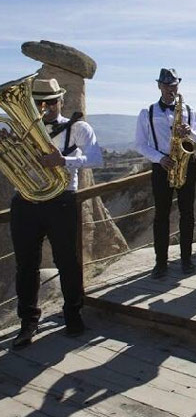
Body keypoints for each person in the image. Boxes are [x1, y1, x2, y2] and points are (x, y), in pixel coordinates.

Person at [7, 78, 102, 348]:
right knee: (26, 265)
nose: (44, 107)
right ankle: (28, 322)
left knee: (67, 261)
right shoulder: (18, 129)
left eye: (50, 102)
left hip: (60, 201)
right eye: (38, 103)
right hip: (25, 202)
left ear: (61, 100)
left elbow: (96, 158)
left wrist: (64, 161)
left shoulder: (77, 128)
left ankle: (73, 313)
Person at [135, 68, 196, 280]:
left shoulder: (189, 111)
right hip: (163, 165)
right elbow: (140, 144)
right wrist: (159, 158)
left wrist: (189, 132)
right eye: (166, 85)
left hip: (186, 163)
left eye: (173, 85)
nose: (170, 89)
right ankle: (161, 263)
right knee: (161, 216)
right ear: (159, 86)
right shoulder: (147, 112)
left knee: (187, 213)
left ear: (178, 86)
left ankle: (186, 259)